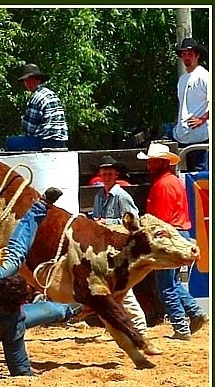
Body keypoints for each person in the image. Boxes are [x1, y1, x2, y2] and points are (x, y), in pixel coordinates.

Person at [0, 188, 83, 376]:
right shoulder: (14, 322)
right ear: (21, 303)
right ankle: (72, 309)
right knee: (53, 310)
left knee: (12, 259)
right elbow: (18, 363)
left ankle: (41, 206)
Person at [137, 142, 208, 340]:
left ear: (162, 162)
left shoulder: (163, 185)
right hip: (180, 234)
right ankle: (195, 312)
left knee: (165, 285)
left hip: (169, 237)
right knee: (172, 282)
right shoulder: (174, 181)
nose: (149, 165)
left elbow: (161, 221)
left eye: (152, 162)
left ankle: (181, 326)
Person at [91, 155, 160, 353]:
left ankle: (140, 330)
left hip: (120, 250)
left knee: (123, 293)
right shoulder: (99, 197)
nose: (106, 176)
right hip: (106, 250)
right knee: (115, 292)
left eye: (109, 173)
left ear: (116, 175)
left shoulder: (122, 196)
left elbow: (133, 223)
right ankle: (128, 329)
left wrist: (107, 223)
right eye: (103, 173)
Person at [6, 63, 68, 151]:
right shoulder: (51, 94)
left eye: (28, 80)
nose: (26, 83)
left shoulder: (36, 97)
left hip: (45, 141)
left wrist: (23, 120)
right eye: (25, 81)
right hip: (62, 141)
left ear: (37, 80)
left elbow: (30, 129)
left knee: (10, 141)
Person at [171, 38, 209, 172]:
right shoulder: (182, 79)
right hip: (182, 134)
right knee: (185, 174)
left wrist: (202, 119)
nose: (186, 57)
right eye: (184, 54)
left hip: (200, 136)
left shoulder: (204, 76)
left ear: (197, 55)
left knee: (201, 175)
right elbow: (182, 105)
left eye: (190, 54)